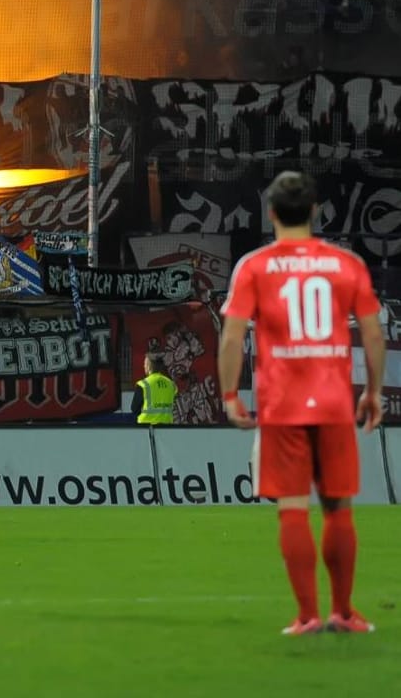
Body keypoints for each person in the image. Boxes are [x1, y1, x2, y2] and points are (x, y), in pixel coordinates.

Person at [218, 171, 385, 636]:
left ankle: (308, 615)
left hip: (282, 405)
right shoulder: (346, 263)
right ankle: (344, 612)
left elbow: (232, 335)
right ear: (315, 211)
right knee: (338, 508)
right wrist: (371, 392)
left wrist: (230, 395)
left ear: (270, 213)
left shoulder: (253, 266)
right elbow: (372, 333)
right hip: (333, 403)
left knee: (292, 508)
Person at [130, 353, 177, 425]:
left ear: (149, 367)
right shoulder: (171, 384)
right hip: (167, 426)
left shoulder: (143, 384)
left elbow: (134, 409)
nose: (143, 366)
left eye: (145, 364)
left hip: (145, 427)